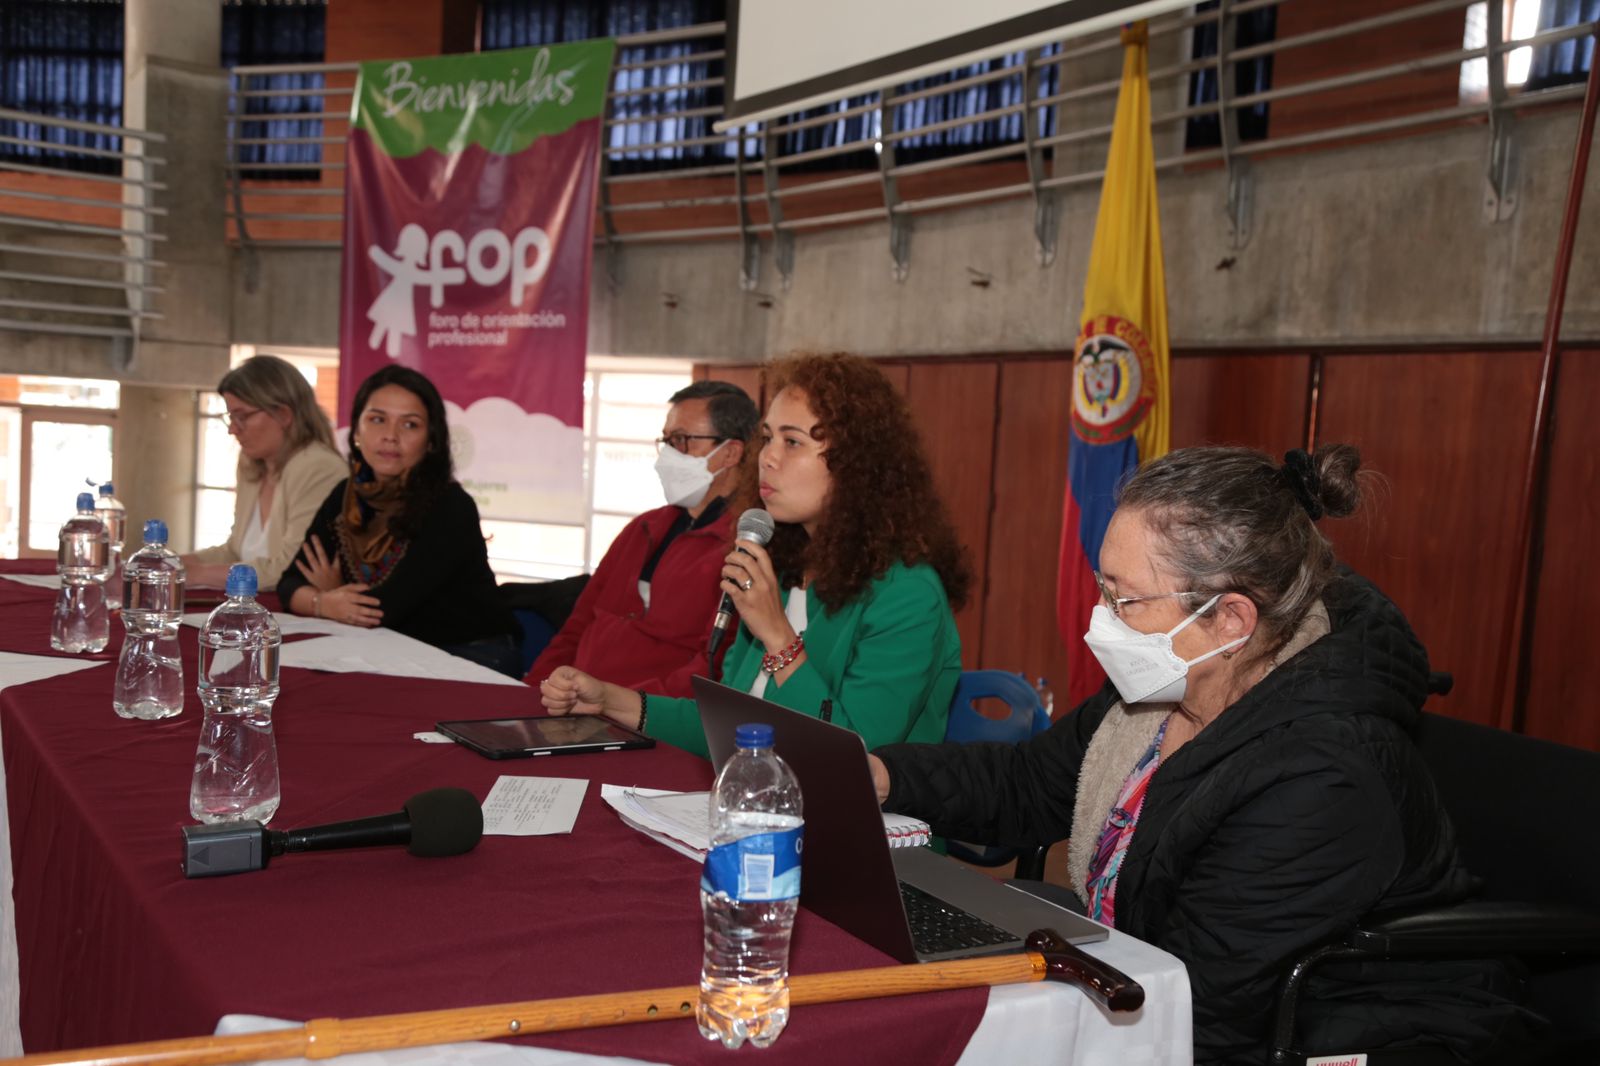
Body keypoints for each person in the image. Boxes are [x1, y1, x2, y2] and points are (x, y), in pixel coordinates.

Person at [869, 445, 1531, 1064]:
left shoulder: (1323, 771)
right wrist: (881, 776)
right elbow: (1029, 784)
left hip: (1353, 1033)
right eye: (1103, 587)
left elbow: (1208, 1010)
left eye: (1125, 598)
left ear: (1230, 620)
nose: (1102, 618)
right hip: (1166, 986)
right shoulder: (1167, 685)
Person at [540, 352, 969, 758]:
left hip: (857, 811)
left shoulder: (908, 593)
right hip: (758, 791)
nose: (767, 458)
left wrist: (778, 636)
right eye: (767, 438)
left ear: (856, 464)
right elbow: (728, 724)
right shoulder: (783, 574)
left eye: (792, 442)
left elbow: (854, 754)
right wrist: (608, 700)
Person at [275, 365, 520, 676]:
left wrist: (334, 593)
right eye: (377, 420)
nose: (390, 436)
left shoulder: (450, 506)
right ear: (357, 431)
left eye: (410, 425)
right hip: (385, 648)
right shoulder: (345, 495)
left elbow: (379, 610)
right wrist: (324, 603)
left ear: (431, 441)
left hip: (471, 654)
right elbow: (289, 584)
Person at [523, 380, 758, 695]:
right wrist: (531, 692)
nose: (666, 456)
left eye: (681, 440)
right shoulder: (644, 527)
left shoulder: (743, 548)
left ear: (730, 453)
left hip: (644, 715)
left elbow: (711, 667)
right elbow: (577, 627)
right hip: (573, 703)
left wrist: (624, 707)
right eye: (666, 440)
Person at [185, 355, 347, 589]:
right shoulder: (251, 464)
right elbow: (235, 551)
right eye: (230, 417)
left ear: (284, 415)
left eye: (242, 416)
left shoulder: (319, 467)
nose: (232, 429)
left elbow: (290, 568)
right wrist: (170, 564)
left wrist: (196, 574)